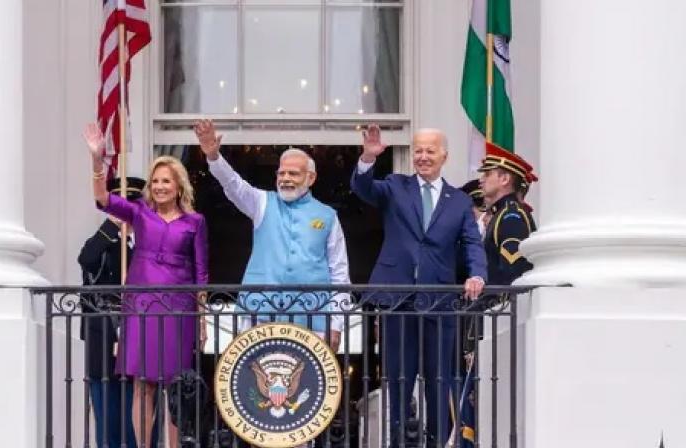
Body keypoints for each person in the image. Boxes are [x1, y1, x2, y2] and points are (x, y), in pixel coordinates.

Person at [350, 124, 487, 446]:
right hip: (399, 300)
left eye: (430, 151)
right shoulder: (396, 186)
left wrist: (477, 274)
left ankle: (437, 441)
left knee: (439, 382)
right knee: (399, 380)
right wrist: (368, 157)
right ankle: (398, 440)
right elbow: (363, 188)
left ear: (444, 156)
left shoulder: (459, 201)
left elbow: (471, 243)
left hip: (439, 301)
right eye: (418, 151)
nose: (423, 157)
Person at [84, 123, 209, 448]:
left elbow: (201, 273)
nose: (160, 186)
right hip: (140, 306)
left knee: (176, 385)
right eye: (155, 182)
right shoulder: (139, 213)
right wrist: (97, 161)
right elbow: (101, 199)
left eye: (166, 180)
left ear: (179, 185)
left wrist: (202, 317)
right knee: (143, 384)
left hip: (178, 309)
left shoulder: (195, 222)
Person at [193, 119, 348, 352]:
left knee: (306, 385)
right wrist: (213, 157)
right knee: (255, 383)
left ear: (311, 178)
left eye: (293, 174)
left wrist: (336, 324)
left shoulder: (327, 216)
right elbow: (234, 185)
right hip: (260, 315)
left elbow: (339, 273)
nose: (285, 178)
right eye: (281, 173)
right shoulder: (262, 202)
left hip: (313, 319)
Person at [78, 176, 146, 448]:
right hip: (104, 335)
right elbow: (86, 260)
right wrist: (112, 225)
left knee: (138, 406)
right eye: (118, 205)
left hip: (138, 333)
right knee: (106, 407)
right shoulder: (103, 242)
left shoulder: (146, 243)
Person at [477, 142, 538, 285]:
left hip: (500, 305)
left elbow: (513, 273)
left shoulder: (511, 216)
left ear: (504, 179)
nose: (481, 180)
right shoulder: (500, 213)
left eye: (487, 174)